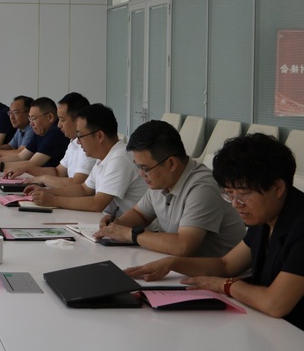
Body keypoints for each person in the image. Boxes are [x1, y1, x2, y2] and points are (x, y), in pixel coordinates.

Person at [126, 133, 304, 331]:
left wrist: (225, 285)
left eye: (244, 194)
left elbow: (275, 304)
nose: (236, 204)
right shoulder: (266, 215)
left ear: (278, 187)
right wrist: (173, 263)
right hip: (271, 327)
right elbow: (226, 264)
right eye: (229, 194)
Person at [94, 120, 245, 257]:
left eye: (145, 168)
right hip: (182, 266)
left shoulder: (203, 188)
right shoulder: (161, 180)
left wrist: (130, 234)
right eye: (138, 167)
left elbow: (183, 246)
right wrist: (116, 225)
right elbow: (140, 214)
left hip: (220, 274)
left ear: (171, 163)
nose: (141, 174)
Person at [29, 103, 145, 214]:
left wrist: (54, 200)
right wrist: (46, 191)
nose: (78, 142)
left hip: (131, 226)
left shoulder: (120, 158)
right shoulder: (104, 156)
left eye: (80, 136)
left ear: (99, 136)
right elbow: (84, 189)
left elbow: (97, 203)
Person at [6, 92, 95, 187]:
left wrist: (42, 179)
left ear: (79, 120)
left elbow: (77, 184)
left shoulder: (89, 145)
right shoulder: (73, 142)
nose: (59, 125)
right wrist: (26, 169)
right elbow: (58, 172)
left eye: (62, 120)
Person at [0, 97, 69, 173]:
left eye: (33, 118)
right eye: (30, 119)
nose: (31, 123)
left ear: (50, 117)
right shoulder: (40, 131)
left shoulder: (55, 132)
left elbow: (32, 163)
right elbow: (21, 156)